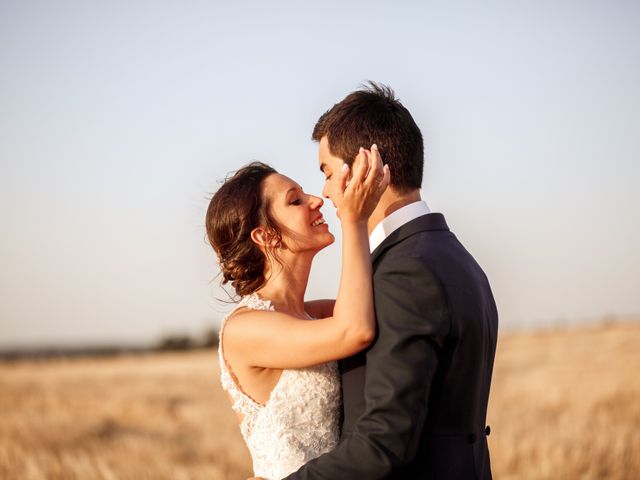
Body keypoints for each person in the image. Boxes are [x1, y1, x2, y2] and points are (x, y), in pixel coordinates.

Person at [282, 82, 499, 479]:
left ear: (364, 165)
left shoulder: (404, 272)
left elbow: (383, 443)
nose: (326, 192)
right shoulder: (458, 258)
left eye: (327, 172)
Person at [206, 148, 390, 479]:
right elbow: (355, 331)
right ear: (266, 236)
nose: (316, 200)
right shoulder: (244, 329)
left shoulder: (314, 315)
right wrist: (354, 220)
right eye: (295, 201)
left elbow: (382, 309)